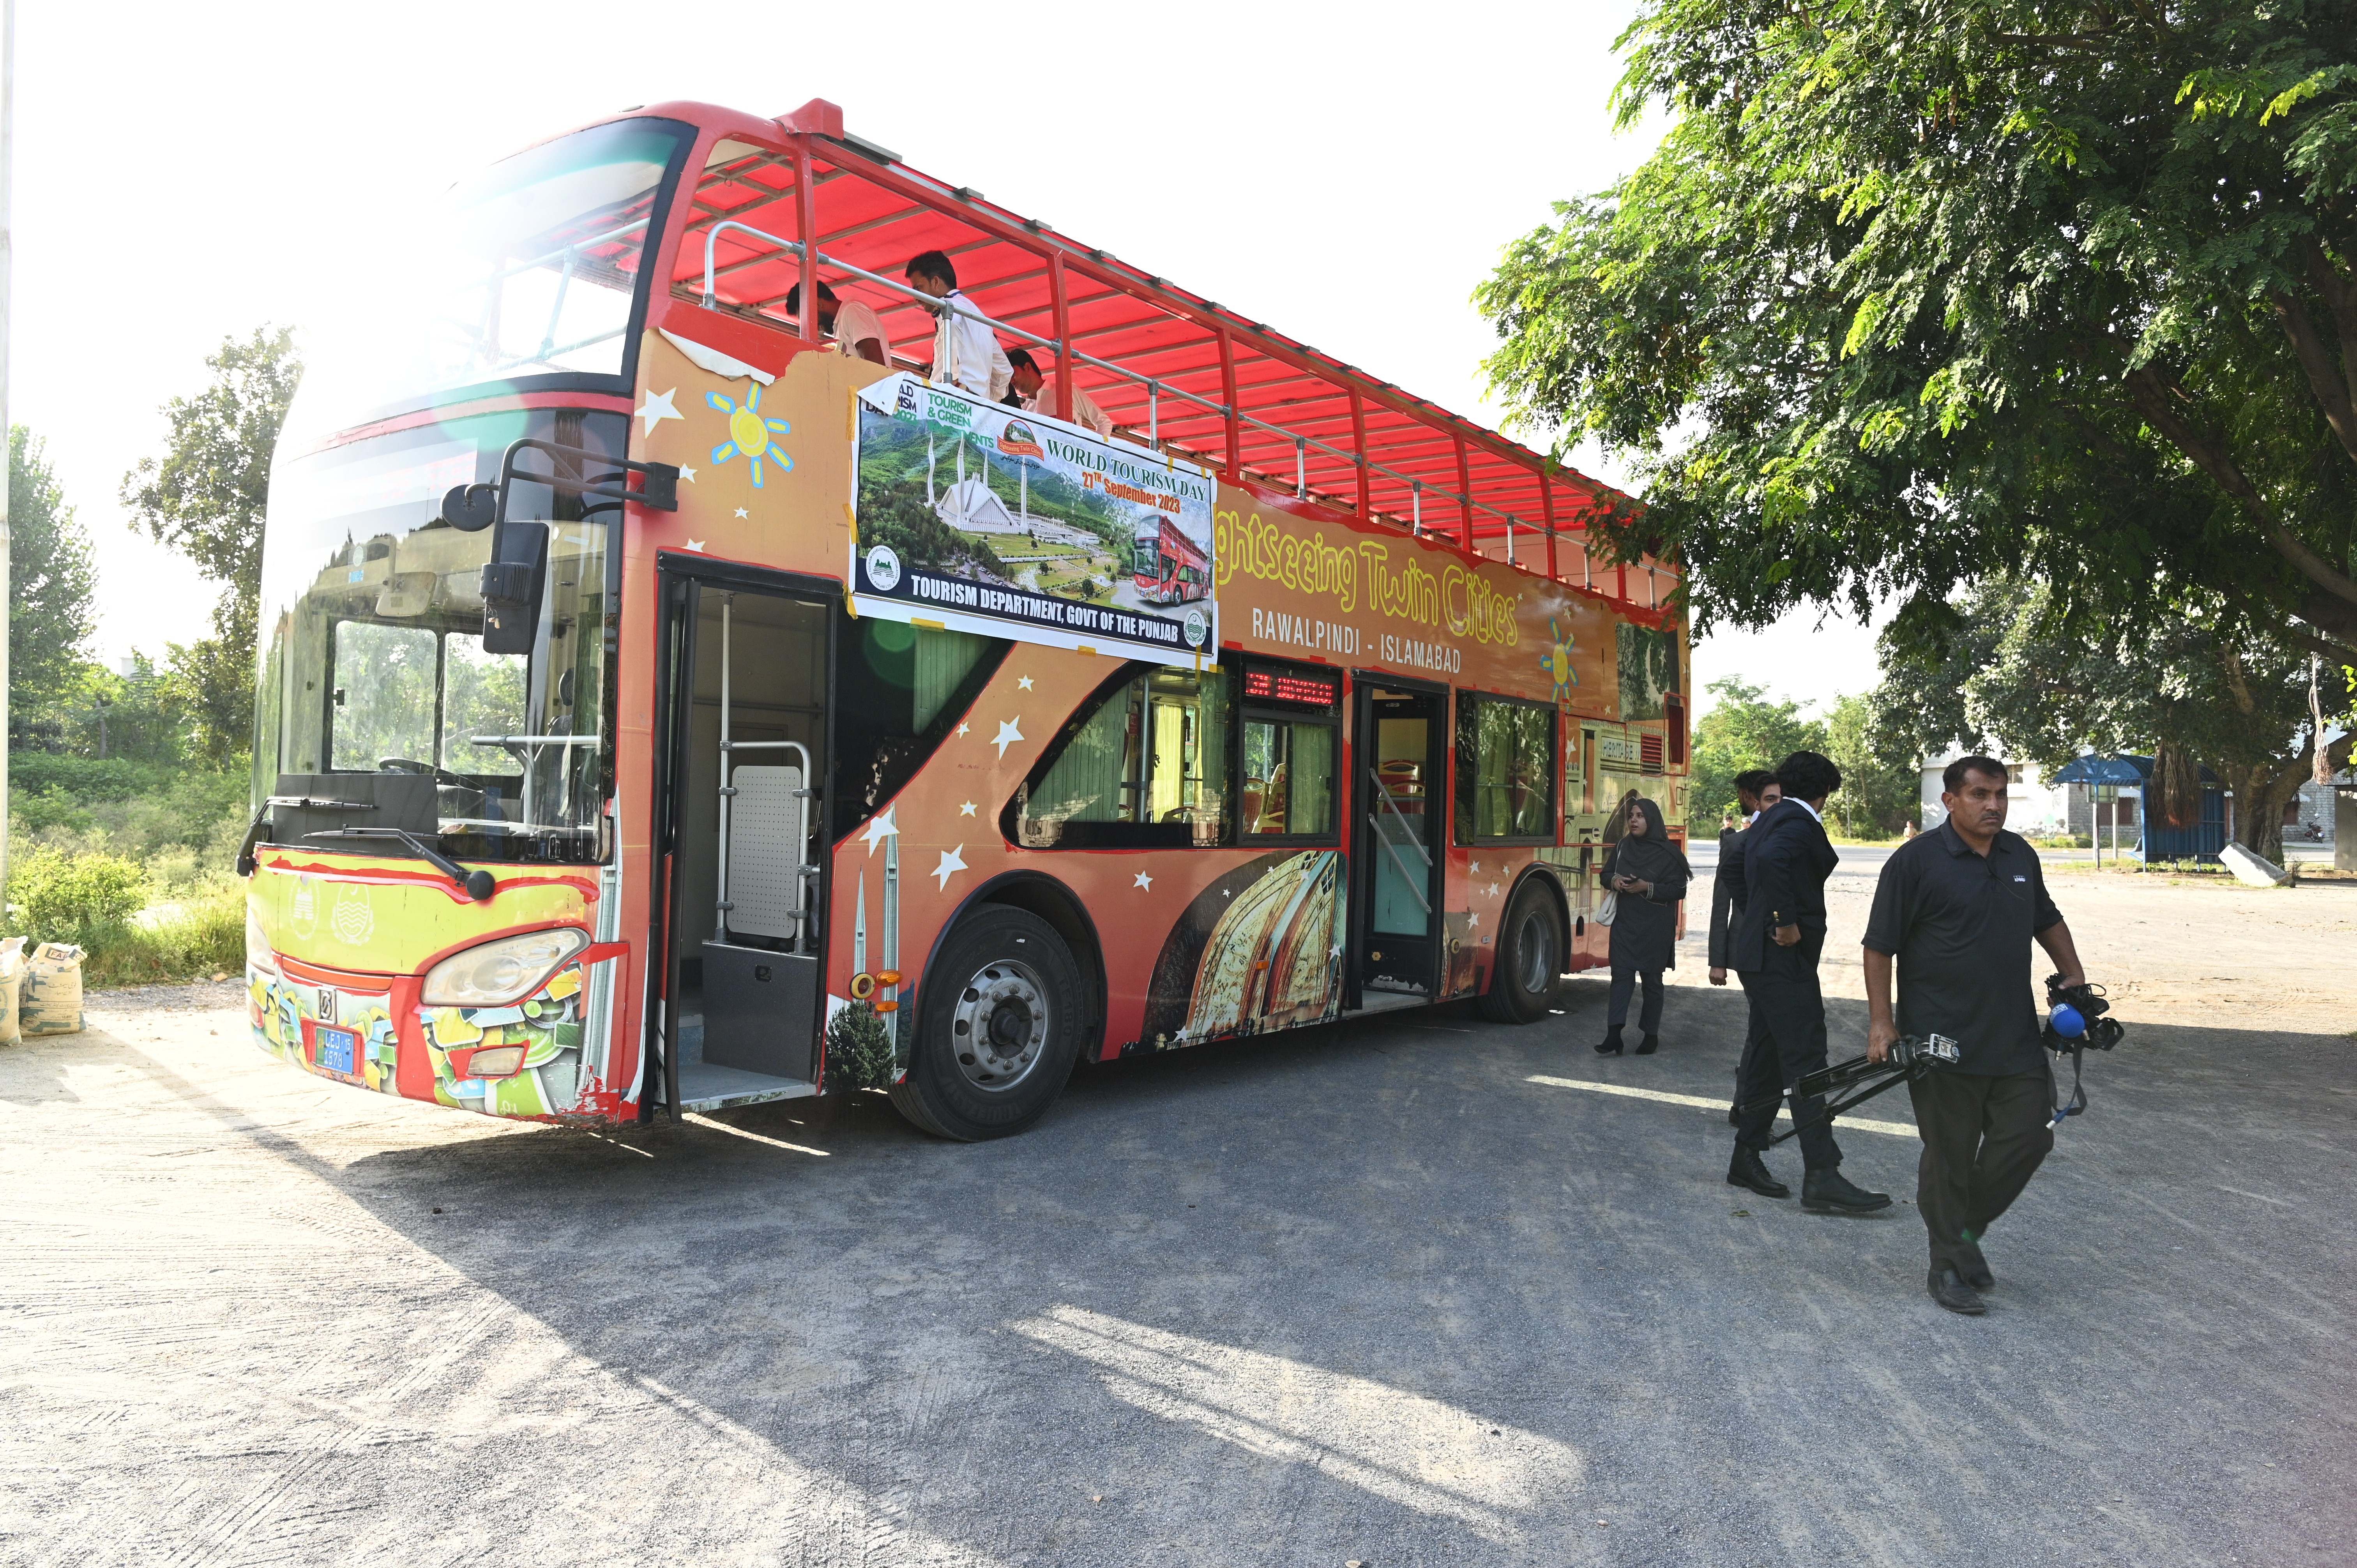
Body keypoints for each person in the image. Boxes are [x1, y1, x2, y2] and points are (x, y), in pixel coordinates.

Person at [1862, 754, 2090, 1315]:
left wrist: (2075, 978)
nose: (1993, 805)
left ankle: (1962, 1235)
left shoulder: (2019, 855)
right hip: (1942, 1040)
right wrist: (1882, 1021)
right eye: (1980, 795)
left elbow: (2046, 918)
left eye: (2001, 795)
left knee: (2030, 1139)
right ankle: (1947, 1263)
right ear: (1950, 801)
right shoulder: (1915, 863)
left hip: (2013, 1036)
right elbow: (1879, 946)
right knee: (1950, 1156)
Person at [1723, 750, 1891, 1214]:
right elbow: (1772, 862)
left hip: (1759, 960)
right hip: (1781, 959)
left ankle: (1746, 1155)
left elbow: (1736, 867)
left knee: (1767, 1054)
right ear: (1824, 793)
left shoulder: (1769, 818)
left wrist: (1756, 912)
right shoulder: (1796, 822)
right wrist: (1781, 920)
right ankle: (1823, 1174)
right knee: (1806, 1057)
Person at [1709, 770, 1782, 1124]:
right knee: (1763, 1029)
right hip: (1747, 951)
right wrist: (1717, 961)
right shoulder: (1736, 844)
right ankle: (1747, 1107)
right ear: (1753, 802)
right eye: (1770, 800)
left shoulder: (1790, 839)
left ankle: (1749, 1104)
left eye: (1780, 800)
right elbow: (1720, 904)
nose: (1776, 807)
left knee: (1763, 1030)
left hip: (1783, 951)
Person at [1594, 796, 1688, 1056]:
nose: (1634, 820)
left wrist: (1648, 887)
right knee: (1621, 978)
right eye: (1631, 816)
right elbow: (1605, 874)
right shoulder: (1624, 846)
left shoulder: (1669, 853)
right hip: (1626, 923)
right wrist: (1616, 882)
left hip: (1655, 927)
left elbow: (1679, 889)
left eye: (1640, 816)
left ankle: (1651, 1035)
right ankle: (1614, 1034)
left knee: (1652, 982)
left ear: (1652, 820)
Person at [905, 249, 1012, 402]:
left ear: (935, 282)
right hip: (977, 407)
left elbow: (953, 330)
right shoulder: (980, 316)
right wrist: (988, 403)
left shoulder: (947, 308)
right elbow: (1004, 372)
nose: (915, 297)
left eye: (918, 288)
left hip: (952, 402)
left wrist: (951, 385)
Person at [1006, 348, 1115, 438]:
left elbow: (1103, 422)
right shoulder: (1024, 410)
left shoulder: (1066, 391)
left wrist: (1095, 453)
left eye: (1013, 374)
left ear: (1028, 367)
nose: (1011, 381)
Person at [783, 280, 889, 365]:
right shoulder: (842, 322)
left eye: (811, 321)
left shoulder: (852, 311)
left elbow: (876, 365)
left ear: (818, 304)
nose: (816, 328)